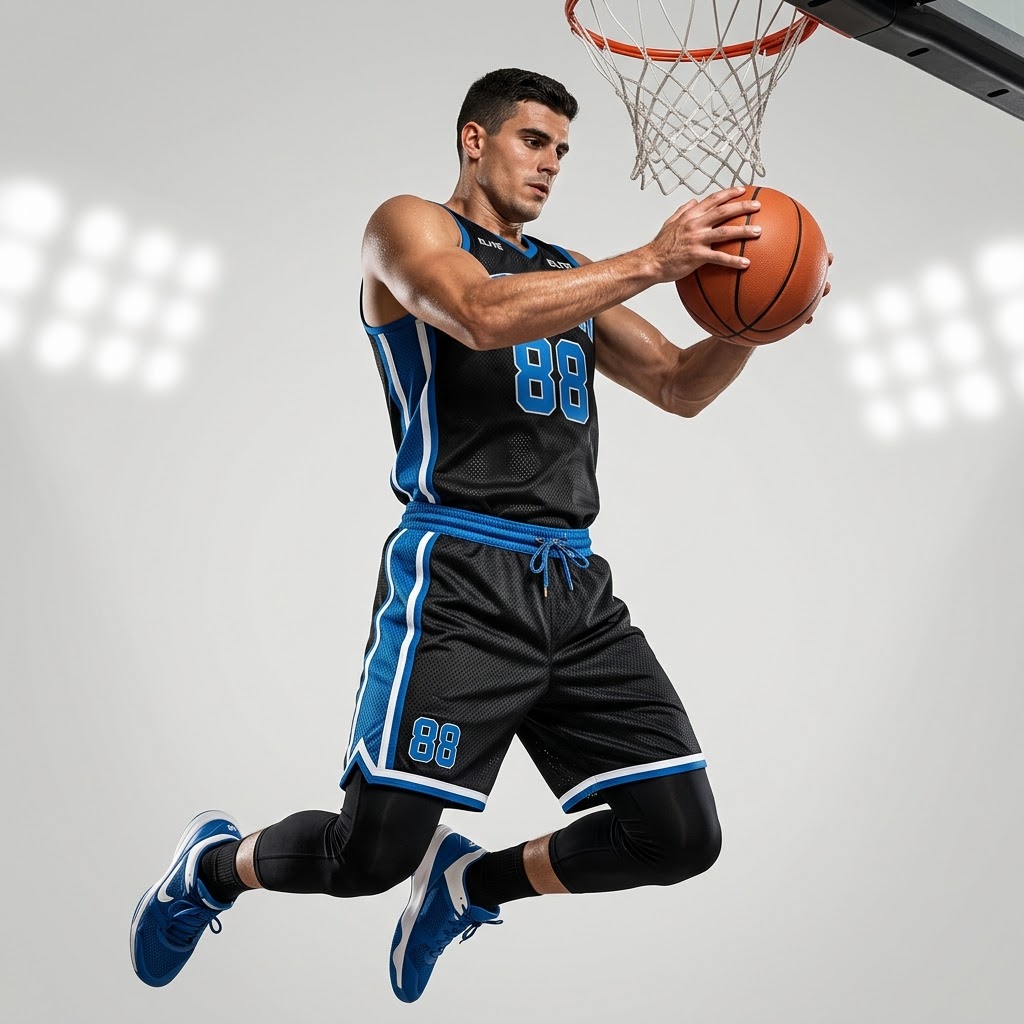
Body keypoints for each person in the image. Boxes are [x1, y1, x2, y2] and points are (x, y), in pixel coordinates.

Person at [130, 68, 830, 1003]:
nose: (550, 164)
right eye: (533, 141)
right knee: (369, 857)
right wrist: (652, 261)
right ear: (475, 138)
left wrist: (759, 322)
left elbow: (676, 384)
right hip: (460, 578)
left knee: (679, 836)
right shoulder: (409, 228)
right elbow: (475, 313)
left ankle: (469, 885)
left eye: (562, 151)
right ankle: (212, 868)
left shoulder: (566, 269)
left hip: (572, 587)